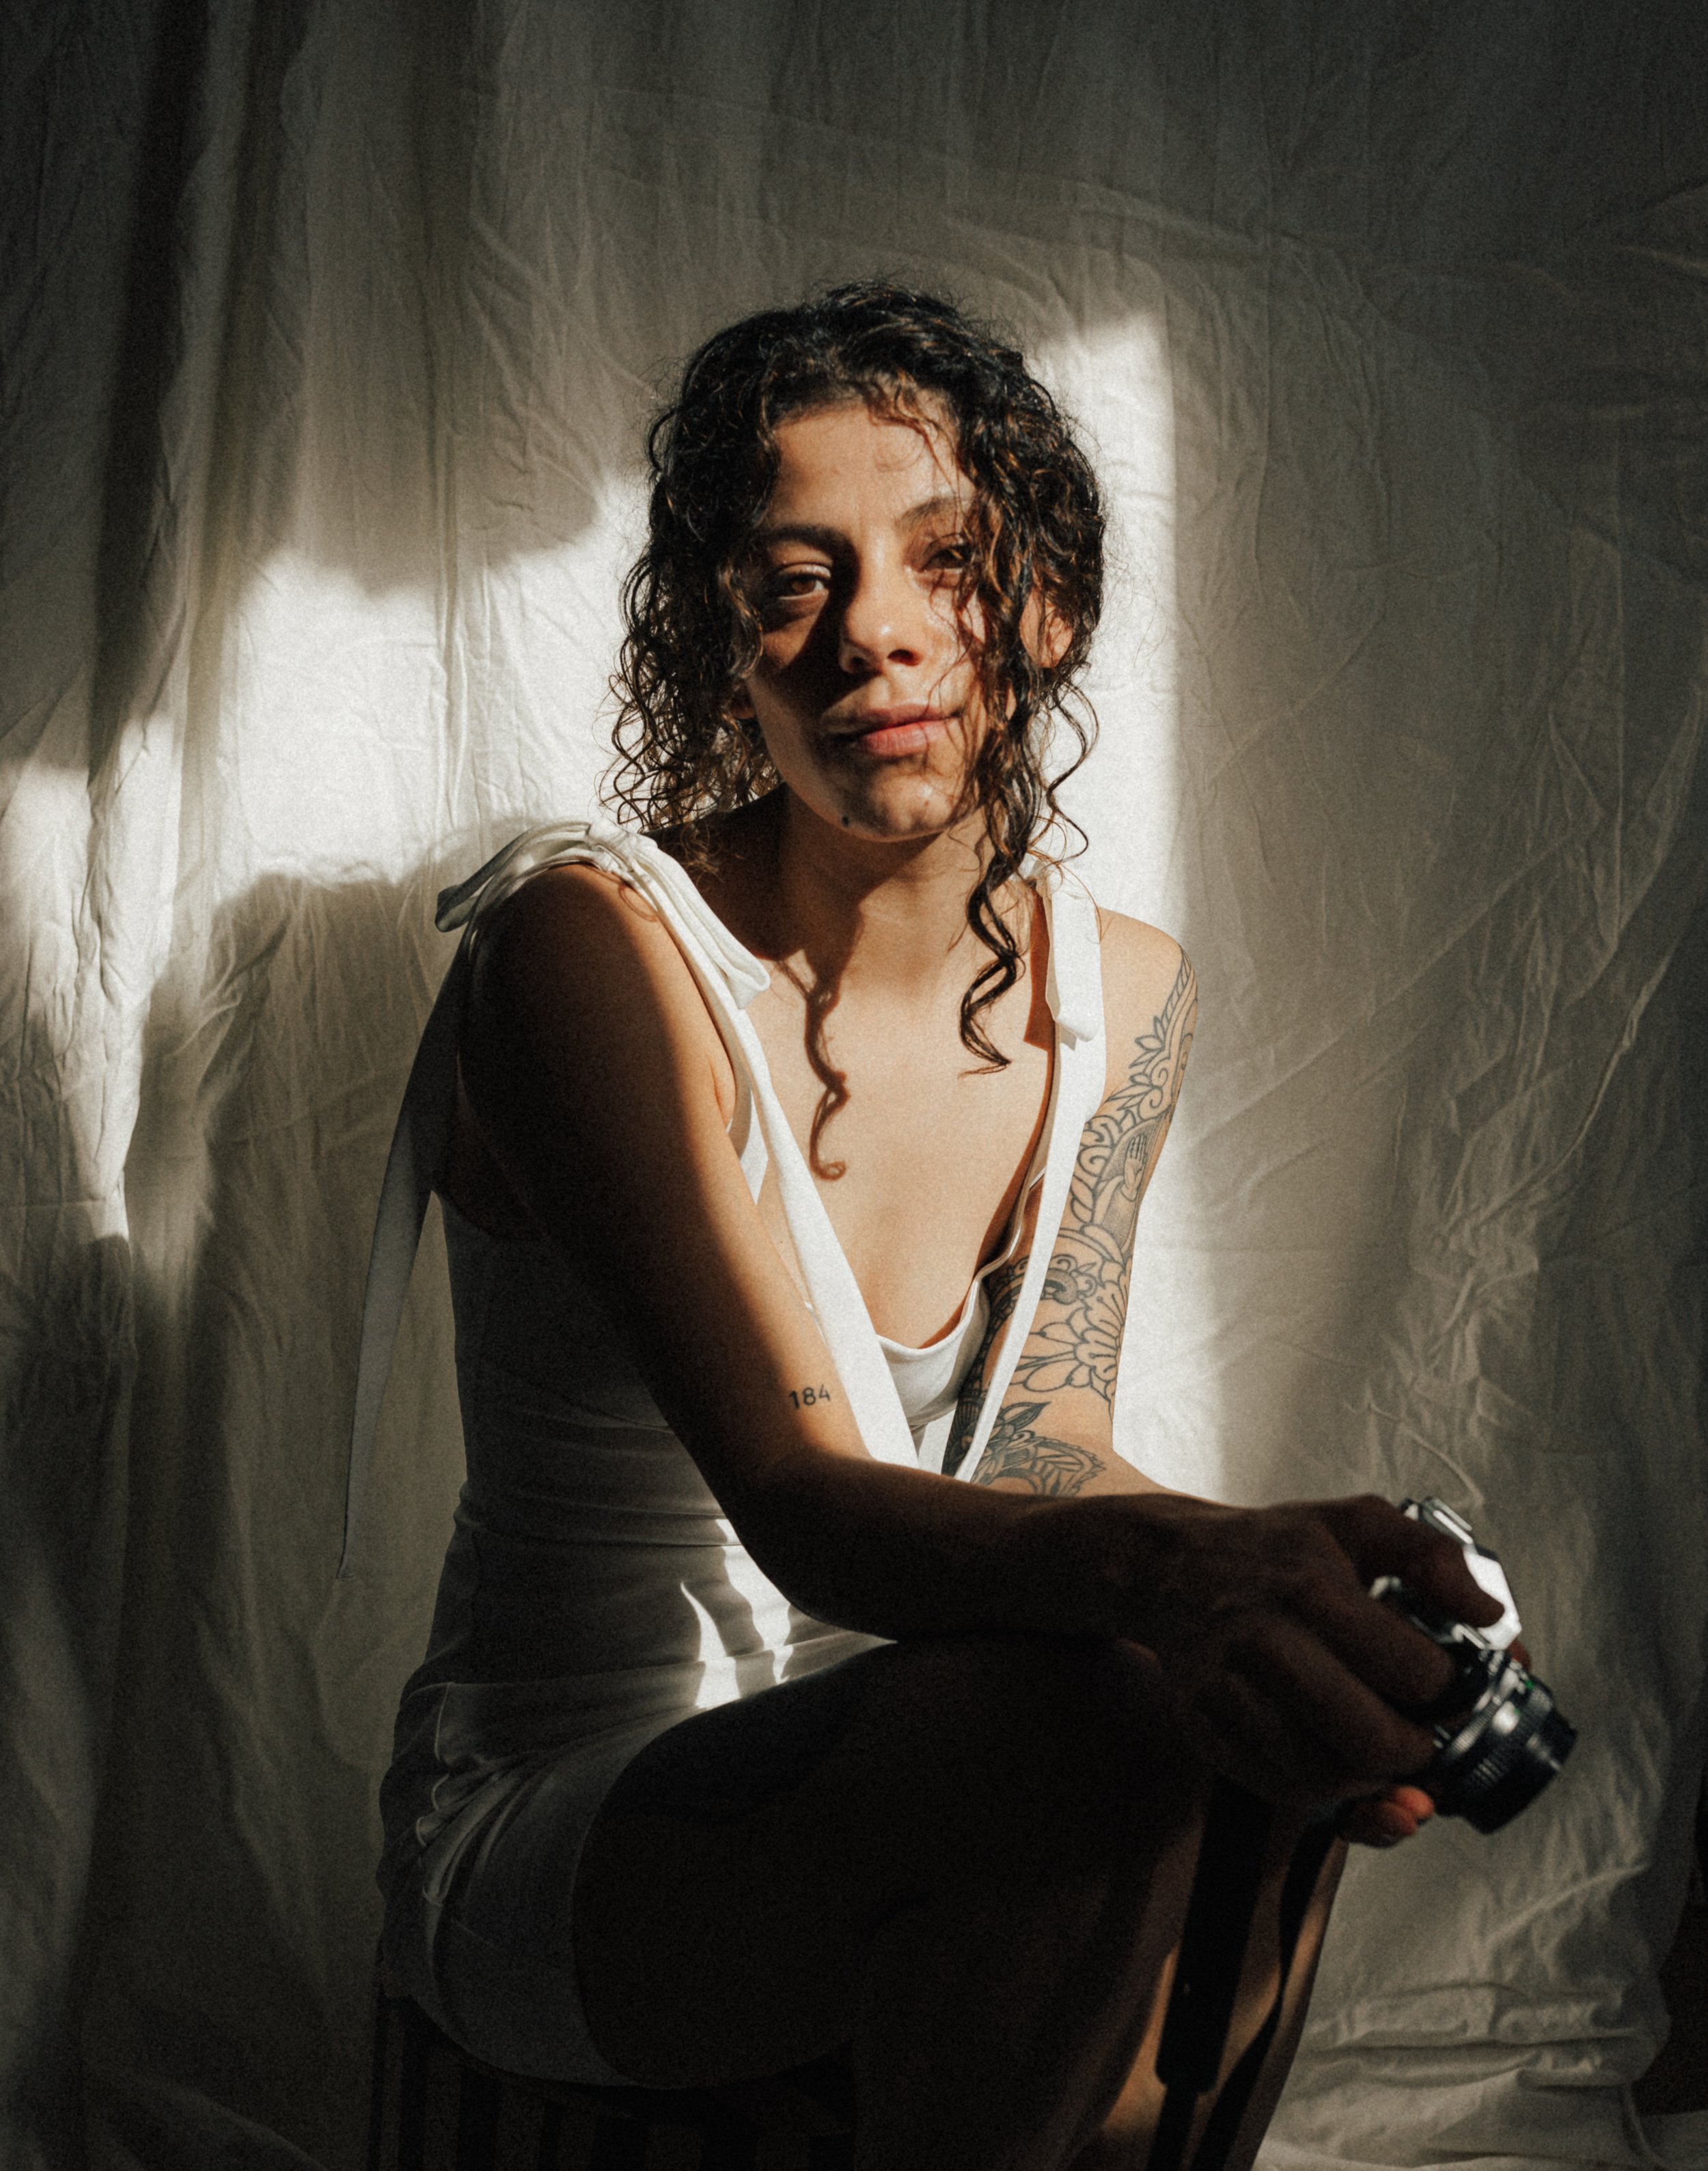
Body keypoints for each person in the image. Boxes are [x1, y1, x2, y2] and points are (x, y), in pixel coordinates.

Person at [370, 282, 1500, 2171]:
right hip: (573, 1822)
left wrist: (1321, 1592)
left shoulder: (1121, 993)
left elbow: (1041, 1449)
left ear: (1045, 605)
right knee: (1102, 1718)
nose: (873, 630)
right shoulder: (591, 953)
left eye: (946, 560)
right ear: (718, 645)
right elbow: (805, 1506)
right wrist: (1191, 1585)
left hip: (907, 1737)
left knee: (1271, 1750)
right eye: (792, 578)